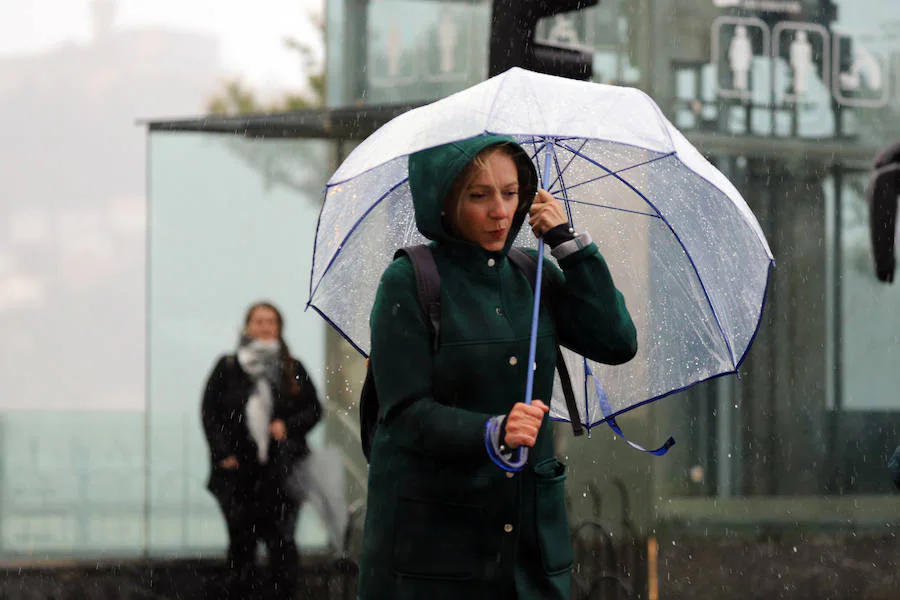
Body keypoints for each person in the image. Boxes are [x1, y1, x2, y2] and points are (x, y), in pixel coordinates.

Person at [357, 135, 638, 599]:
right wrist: (492, 430)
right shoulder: (408, 282)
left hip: (528, 552)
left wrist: (568, 244)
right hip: (438, 553)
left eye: (510, 193)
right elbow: (404, 415)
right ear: (444, 201)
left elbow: (617, 340)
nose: (500, 212)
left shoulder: (533, 272)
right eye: (479, 195)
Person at [201, 301, 322, 599]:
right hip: (239, 473)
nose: (265, 327)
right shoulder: (228, 367)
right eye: (258, 321)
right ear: (247, 326)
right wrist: (223, 454)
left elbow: (314, 409)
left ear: (279, 328)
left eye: (271, 321)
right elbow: (210, 413)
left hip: (282, 472)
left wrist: (287, 426)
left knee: (282, 546)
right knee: (241, 547)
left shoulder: (293, 368)